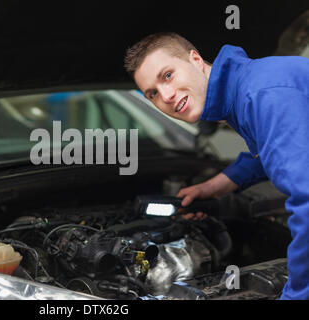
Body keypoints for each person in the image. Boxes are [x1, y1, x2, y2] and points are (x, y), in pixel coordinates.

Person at [124, 32, 309, 300]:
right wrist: (216, 185)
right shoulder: (247, 87)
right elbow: (274, 147)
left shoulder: (262, 95)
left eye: (168, 75)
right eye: (151, 93)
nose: (166, 95)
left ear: (196, 59)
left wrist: (296, 294)